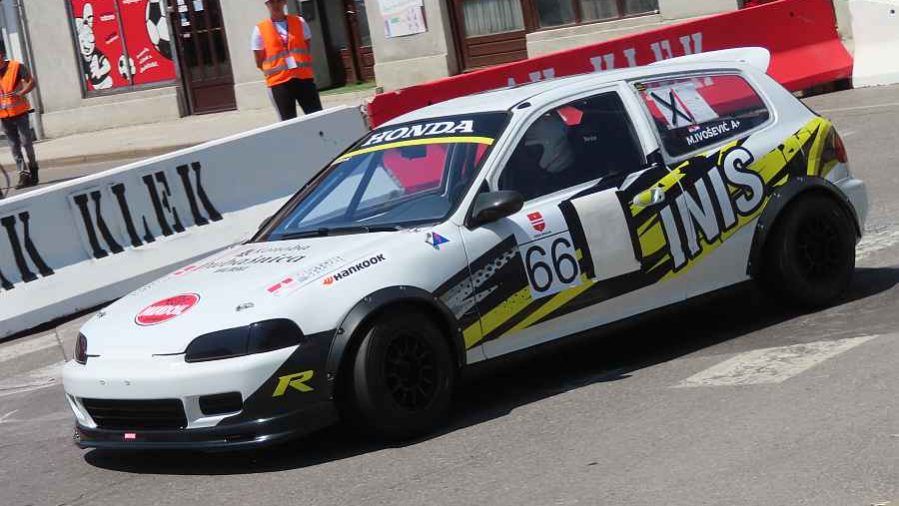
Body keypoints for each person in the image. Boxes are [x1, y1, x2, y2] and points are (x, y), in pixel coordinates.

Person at [252, 0, 322, 121]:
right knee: (288, 122)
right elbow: (259, 60)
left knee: (317, 117)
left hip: (303, 78)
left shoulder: (299, 22)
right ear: (267, 5)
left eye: (279, 1)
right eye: (272, 2)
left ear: (284, 2)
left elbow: (306, 47)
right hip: (278, 83)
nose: (276, 5)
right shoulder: (260, 29)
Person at [0, 49, 39, 189]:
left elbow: (32, 82)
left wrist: (22, 92)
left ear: (1, 55)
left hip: (20, 112)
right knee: (14, 147)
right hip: (4, 116)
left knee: (26, 143)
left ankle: (33, 170)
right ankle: (23, 175)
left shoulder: (16, 67)